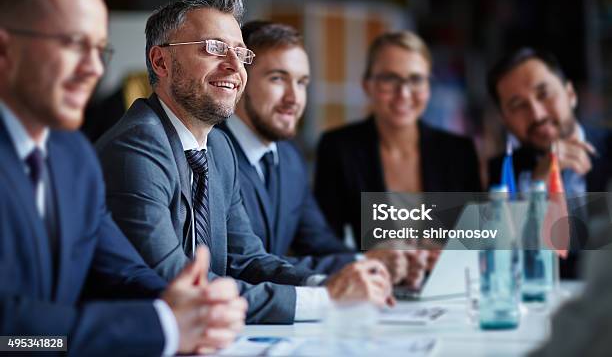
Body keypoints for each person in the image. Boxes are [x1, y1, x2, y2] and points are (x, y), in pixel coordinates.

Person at [95, 0, 394, 325]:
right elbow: (178, 285)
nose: (234, 67)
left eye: (240, 53)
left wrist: (327, 285)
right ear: (160, 61)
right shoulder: (138, 145)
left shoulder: (218, 148)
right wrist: (325, 302)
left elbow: (247, 259)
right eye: (213, 48)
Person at [0, 0, 246, 356]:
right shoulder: (132, 143)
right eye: (72, 44)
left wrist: (193, 307)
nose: (94, 69)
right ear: (5, 50)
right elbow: (9, 336)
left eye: (99, 50)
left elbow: (122, 271)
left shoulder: (71, 155)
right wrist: (162, 326)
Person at [218, 20, 423, 284]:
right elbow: (245, 264)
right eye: (278, 78)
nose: (294, 98)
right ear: (240, 79)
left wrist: (376, 264)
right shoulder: (211, 151)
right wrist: (349, 273)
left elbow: (319, 242)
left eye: (302, 83)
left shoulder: (290, 158)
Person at [314, 31, 482, 245]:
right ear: (367, 85)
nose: (403, 93)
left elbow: (476, 240)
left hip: (446, 277)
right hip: (373, 277)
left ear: (429, 87)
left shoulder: (459, 152)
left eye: (416, 79)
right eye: (389, 79)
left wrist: (446, 252)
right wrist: (365, 261)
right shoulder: (338, 147)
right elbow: (323, 240)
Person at [486, 48, 612, 276]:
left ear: (571, 94)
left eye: (544, 94)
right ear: (505, 120)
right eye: (517, 105)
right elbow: (502, 264)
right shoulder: (501, 172)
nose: (536, 114)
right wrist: (537, 189)